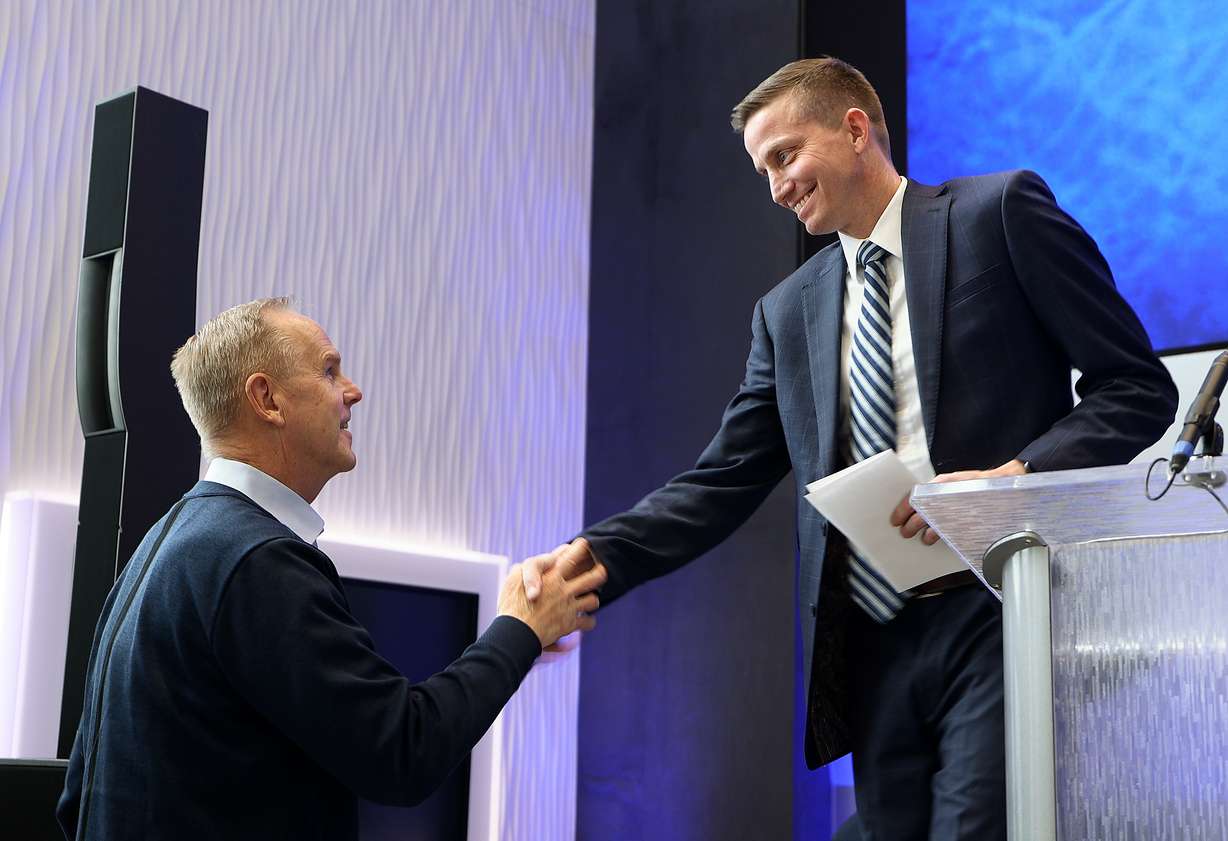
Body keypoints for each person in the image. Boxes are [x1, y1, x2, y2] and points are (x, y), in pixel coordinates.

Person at [525, 57, 1177, 839]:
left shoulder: (999, 212)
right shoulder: (786, 312)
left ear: (855, 130)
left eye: (784, 156)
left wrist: (1013, 478)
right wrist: (590, 559)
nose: (775, 187)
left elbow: (1136, 387)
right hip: (868, 640)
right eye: (763, 169)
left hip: (999, 612)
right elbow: (720, 480)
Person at [56, 298, 606, 840]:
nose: (354, 391)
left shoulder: (170, 542)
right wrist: (522, 629)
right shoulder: (259, 562)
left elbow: (76, 799)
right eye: (328, 370)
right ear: (267, 398)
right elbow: (403, 753)